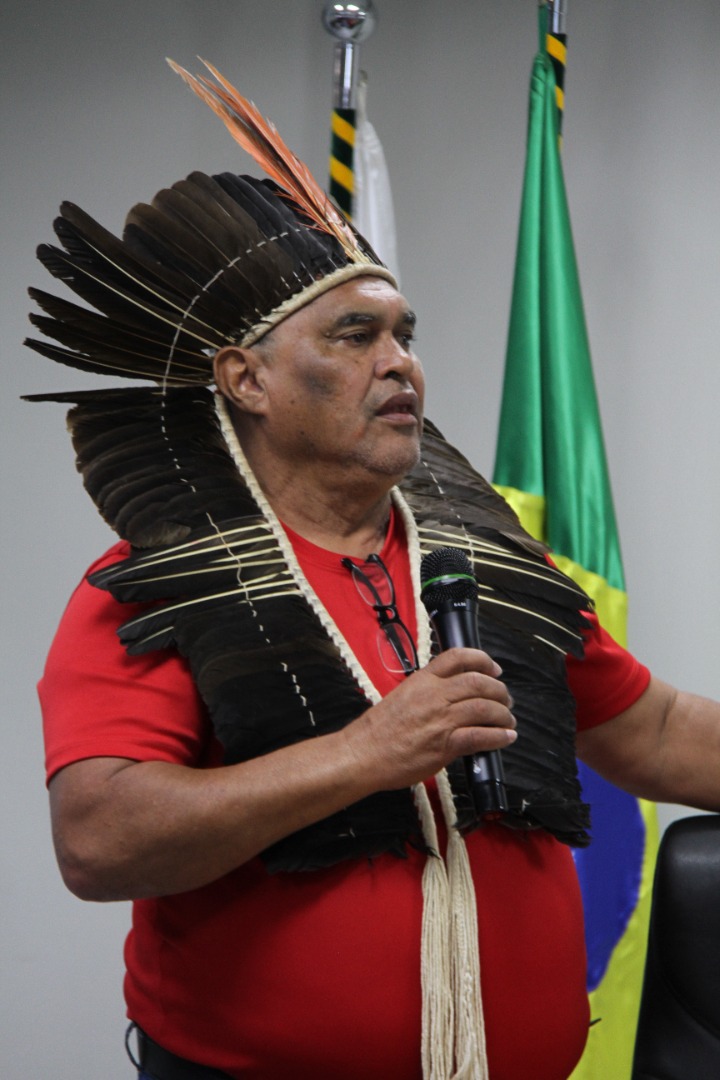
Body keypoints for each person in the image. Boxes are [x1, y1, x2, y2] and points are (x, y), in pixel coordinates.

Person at [31, 65, 720, 1080]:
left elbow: (653, 732)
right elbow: (100, 840)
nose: (400, 363)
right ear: (246, 378)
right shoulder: (158, 587)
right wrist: (365, 754)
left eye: (405, 335)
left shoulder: (494, 564)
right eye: (356, 336)